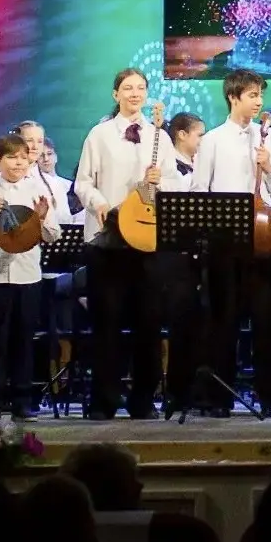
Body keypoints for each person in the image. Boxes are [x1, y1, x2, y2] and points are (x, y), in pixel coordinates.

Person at [74, 67, 185, 419]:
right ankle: (104, 401)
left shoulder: (159, 137)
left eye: (140, 88)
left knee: (147, 324)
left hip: (146, 239)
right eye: (127, 88)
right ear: (116, 94)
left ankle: (143, 400)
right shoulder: (100, 134)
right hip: (107, 240)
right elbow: (82, 183)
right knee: (106, 323)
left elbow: (174, 184)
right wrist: (99, 203)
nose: (134, 93)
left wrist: (160, 180)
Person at [191, 69, 271, 414]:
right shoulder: (213, 140)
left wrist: (270, 166)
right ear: (233, 98)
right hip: (225, 239)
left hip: (264, 237)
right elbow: (200, 189)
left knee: (268, 319)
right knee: (223, 320)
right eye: (252, 95)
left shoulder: (269, 139)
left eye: (260, 94)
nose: (259, 101)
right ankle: (219, 398)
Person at [0, 133, 61, 416]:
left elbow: (53, 235)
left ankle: (23, 400)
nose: (18, 163)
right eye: (11, 158)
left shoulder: (37, 188)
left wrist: (42, 217)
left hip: (28, 275)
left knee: (24, 338)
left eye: (24, 158)